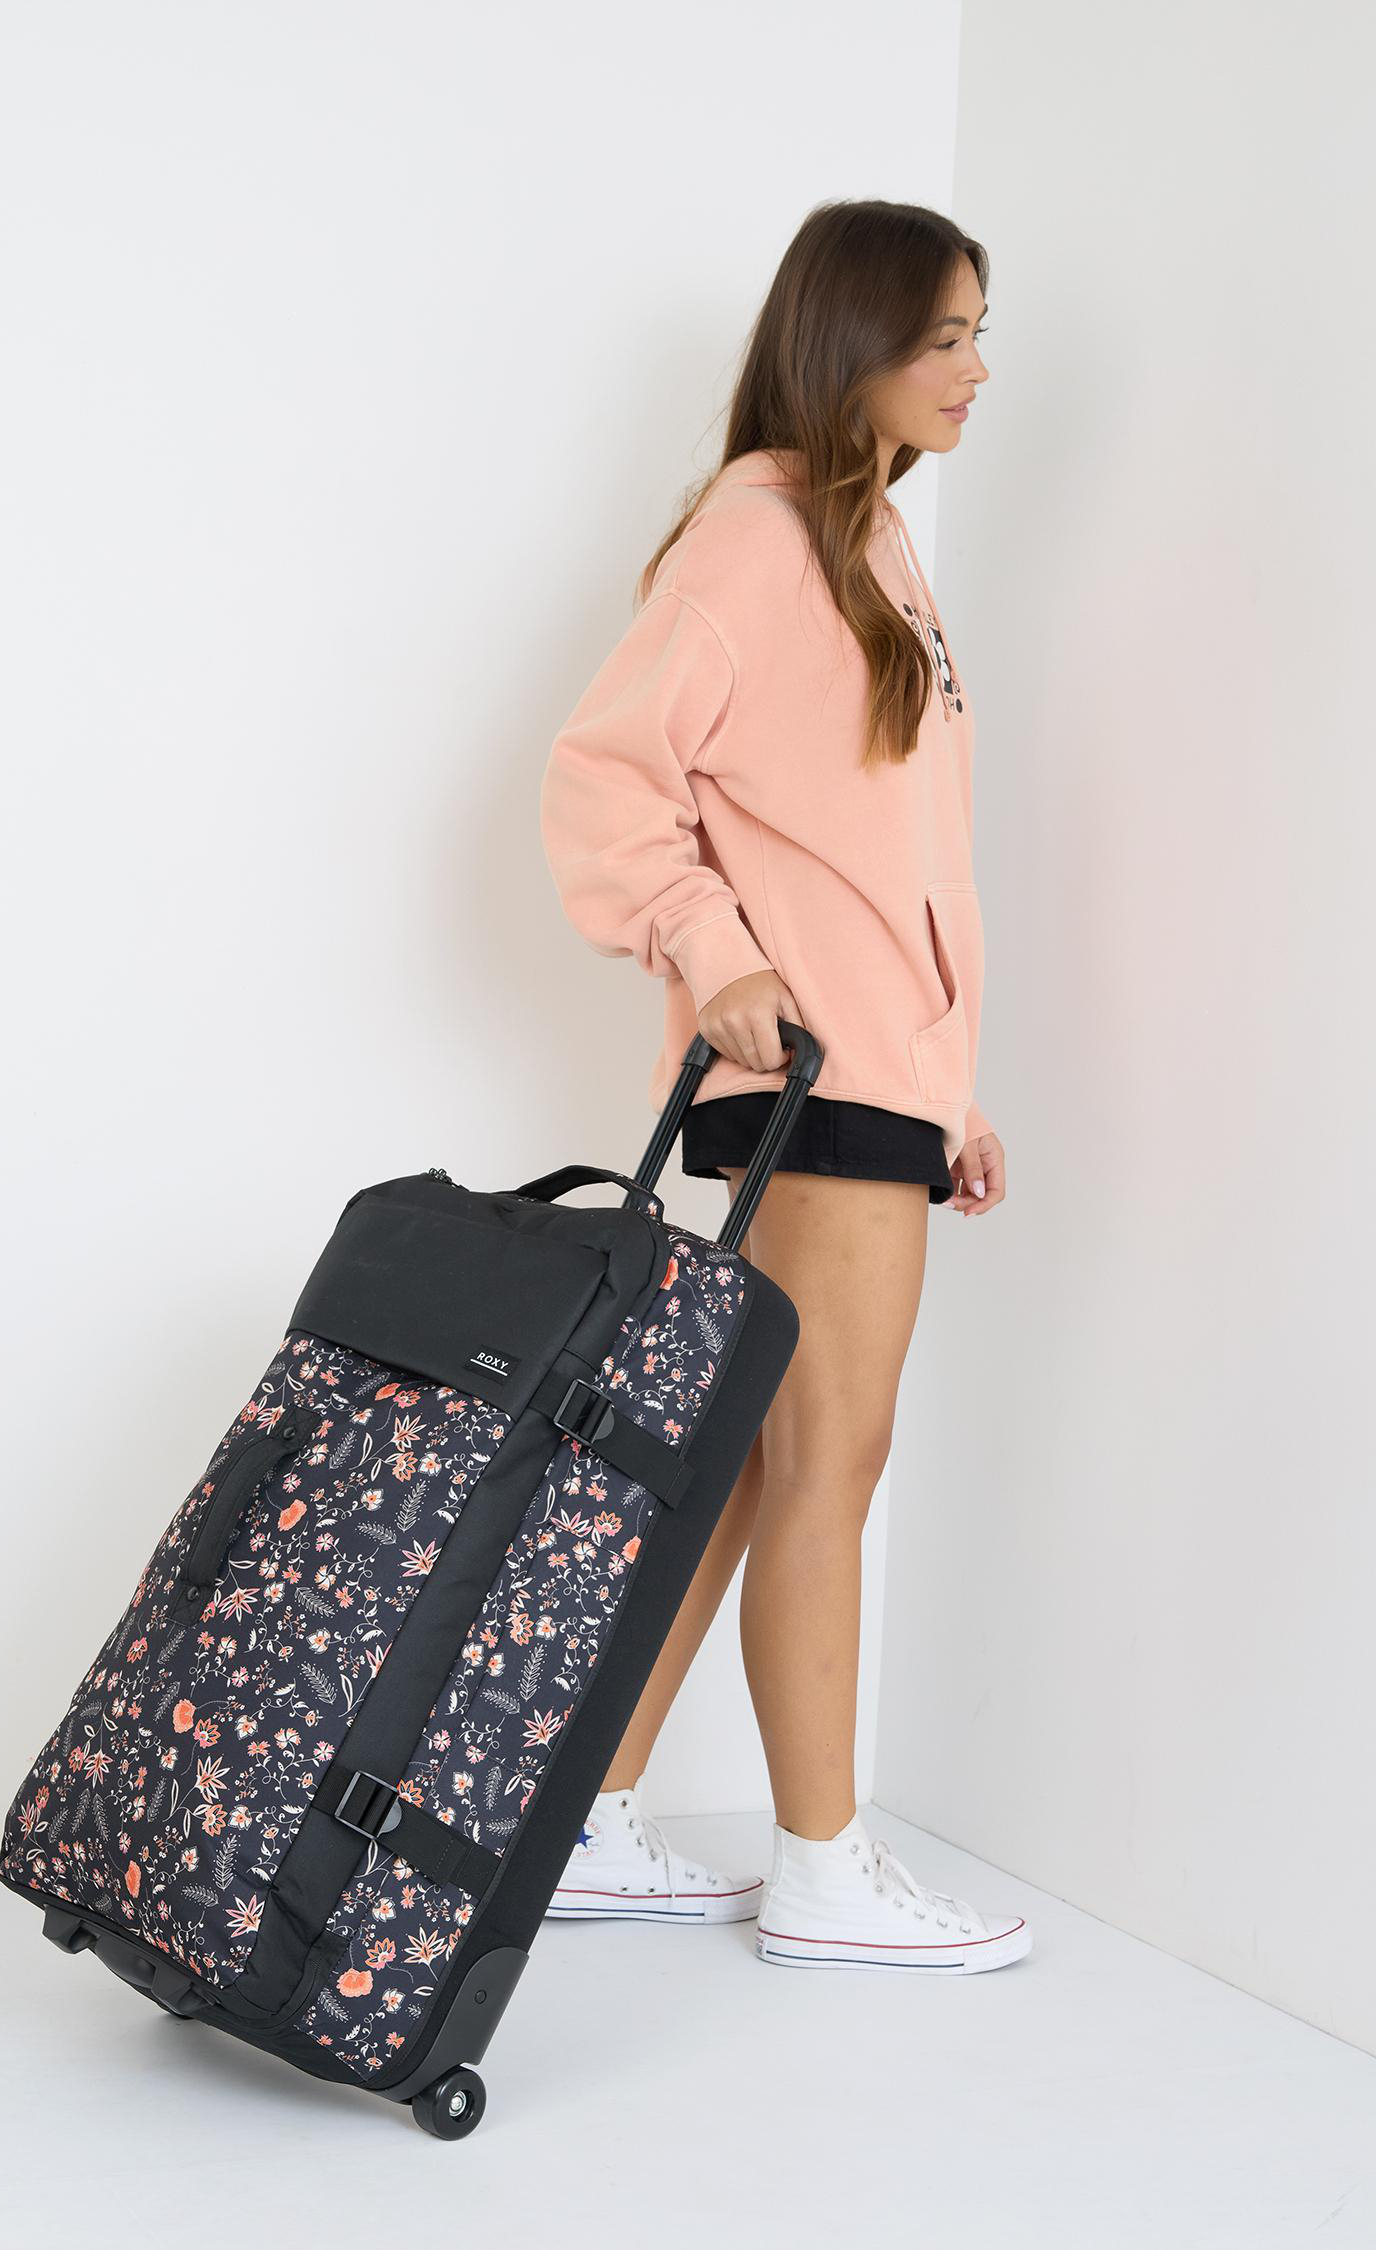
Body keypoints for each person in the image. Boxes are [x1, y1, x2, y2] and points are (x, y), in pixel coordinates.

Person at [534, 199, 1030, 1973]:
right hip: (806, 1073)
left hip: (872, 1077)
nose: (978, 370)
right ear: (857, 340)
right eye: (948, 336)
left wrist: (947, 1087)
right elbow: (604, 780)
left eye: (981, 334)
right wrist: (710, 947)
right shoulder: (759, 537)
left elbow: (893, 861)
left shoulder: (871, 541)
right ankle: (821, 1870)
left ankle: (588, 1817)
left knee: (758, 1461)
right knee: (833, 1455)